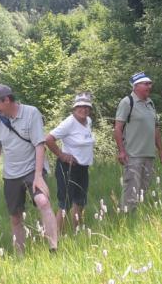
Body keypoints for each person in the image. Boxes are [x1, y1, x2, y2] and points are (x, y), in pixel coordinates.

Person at [0, 84, 58, 254]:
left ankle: (54, 248)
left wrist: (38, 176)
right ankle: (20, 254)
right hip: (11, 174)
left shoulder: (31, 113)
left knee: (43, 201)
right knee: (15, 216)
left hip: (33, 169)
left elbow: (40, 145)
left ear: (7, 100)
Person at [114, 72, 162, 211]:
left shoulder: (150, 103)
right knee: (131, 191)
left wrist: (161, 149)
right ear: (136, 86)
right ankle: (127, 219)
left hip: (149, 155)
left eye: (150, 84)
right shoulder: (127, 102)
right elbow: (118, 128)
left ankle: (139, 217)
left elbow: (155, 128)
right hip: (133, 155)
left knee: (143, 191)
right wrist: (121, 151)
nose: (149, 86)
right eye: (146, 84)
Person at [45, 92, 95, 233]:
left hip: (83, 168)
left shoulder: (88, 121)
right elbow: (49, 139)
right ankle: (55, 238)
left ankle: (76, 232)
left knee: (80, 201)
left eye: (87, 107)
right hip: (68, 168)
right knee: (65, 204)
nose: (83, 109)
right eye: (80, 106)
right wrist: (62, 155)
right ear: (74, 108)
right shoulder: (69, 123)